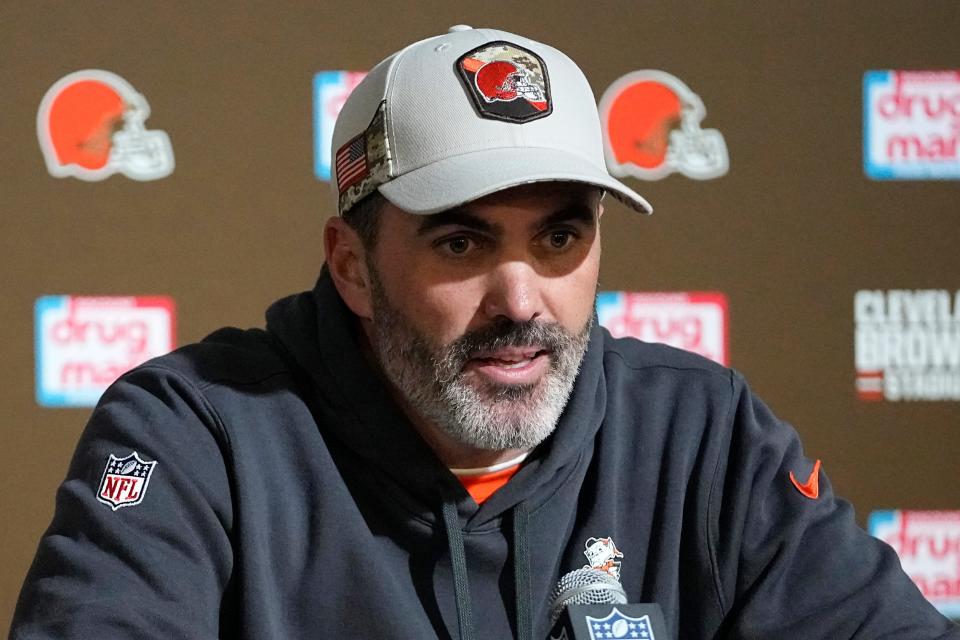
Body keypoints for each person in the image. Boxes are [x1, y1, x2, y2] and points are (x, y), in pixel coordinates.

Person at [10, 25, 959, 640]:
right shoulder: (196, 433)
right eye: (461, 241)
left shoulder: (703, 434)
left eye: (560, 237)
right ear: (352, 264)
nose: (521, 300)